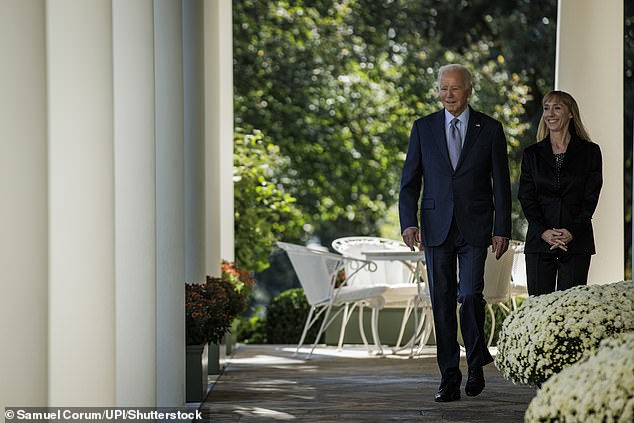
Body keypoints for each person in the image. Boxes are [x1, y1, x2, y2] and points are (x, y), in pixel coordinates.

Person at [399, 64, 511, 402]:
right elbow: (409, 182)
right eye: (443, 88)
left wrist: (501, 228)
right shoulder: (423, 128)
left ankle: (476, 361)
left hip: (476, 226)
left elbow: (501, 185)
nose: (448, 94)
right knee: (442, 303)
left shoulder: (490, 129)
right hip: (435, 228)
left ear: (469, 91)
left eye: (455, 88)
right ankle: (449, 378)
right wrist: (408, 222)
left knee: (470, 296)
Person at [518, 90, 602, 296]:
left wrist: (571, 231)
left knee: (570, 310)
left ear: (570, 113)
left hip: (576, 243)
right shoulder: (532, 154)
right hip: (540, 243)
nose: (550, 113)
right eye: (546, 108)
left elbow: (590, 198)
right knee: (539, 310)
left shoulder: (590, 152)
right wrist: (544, 232)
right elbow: (527, 198)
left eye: (557, 107)